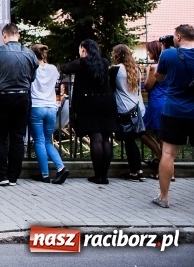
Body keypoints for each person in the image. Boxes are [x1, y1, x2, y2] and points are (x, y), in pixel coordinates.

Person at [0, 23, 38, 186]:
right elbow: (32, 77)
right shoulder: (30, 54)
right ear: (18, 35)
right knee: (17, 137)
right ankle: (13, 177)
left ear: (4, 35)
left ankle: (0, 175)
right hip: (23, 98)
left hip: (3, 97)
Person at [151, 24, 194, 208]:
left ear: (178, 37)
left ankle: (164, 197)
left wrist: (163, 52)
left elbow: (159, 77)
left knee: (168, 153)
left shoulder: (168, 54)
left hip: (174, 110)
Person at [62, 39, 116, 185]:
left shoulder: (81, 62)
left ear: (84, 49)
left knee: (95, 137)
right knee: (105, 138)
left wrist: (81, 57)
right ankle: (104, 176)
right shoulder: (104, 62)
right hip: (107, 102)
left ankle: (97, 175)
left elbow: (65, 68)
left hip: (90, 103)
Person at [28, 44, 69, 184]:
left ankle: (44, 175)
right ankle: (61, 167)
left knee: (39, 141)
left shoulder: (31, 69)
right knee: (47, 141)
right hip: (51, 108)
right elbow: (56, 86)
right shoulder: (53, 69)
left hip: (36, 107)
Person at [111, 44, 146, 182]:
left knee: (129, 142)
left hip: (123, 108)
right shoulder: (135, 68)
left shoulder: (115, 69)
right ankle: (139, 170)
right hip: (135, 107)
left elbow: (110, 87)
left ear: (117, 54)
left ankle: (134, 172)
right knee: (132, 141)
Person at [142, 38, 171, 177]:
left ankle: (162, 161)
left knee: (141, 131)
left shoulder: (155, 67)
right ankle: (167, 170)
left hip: (156, 102)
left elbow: (148, 86)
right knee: (163, 136)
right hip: (168, 101)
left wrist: (147, 73)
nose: (148, 53)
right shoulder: (170, 65)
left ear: (155, 51)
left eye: (149, 50)